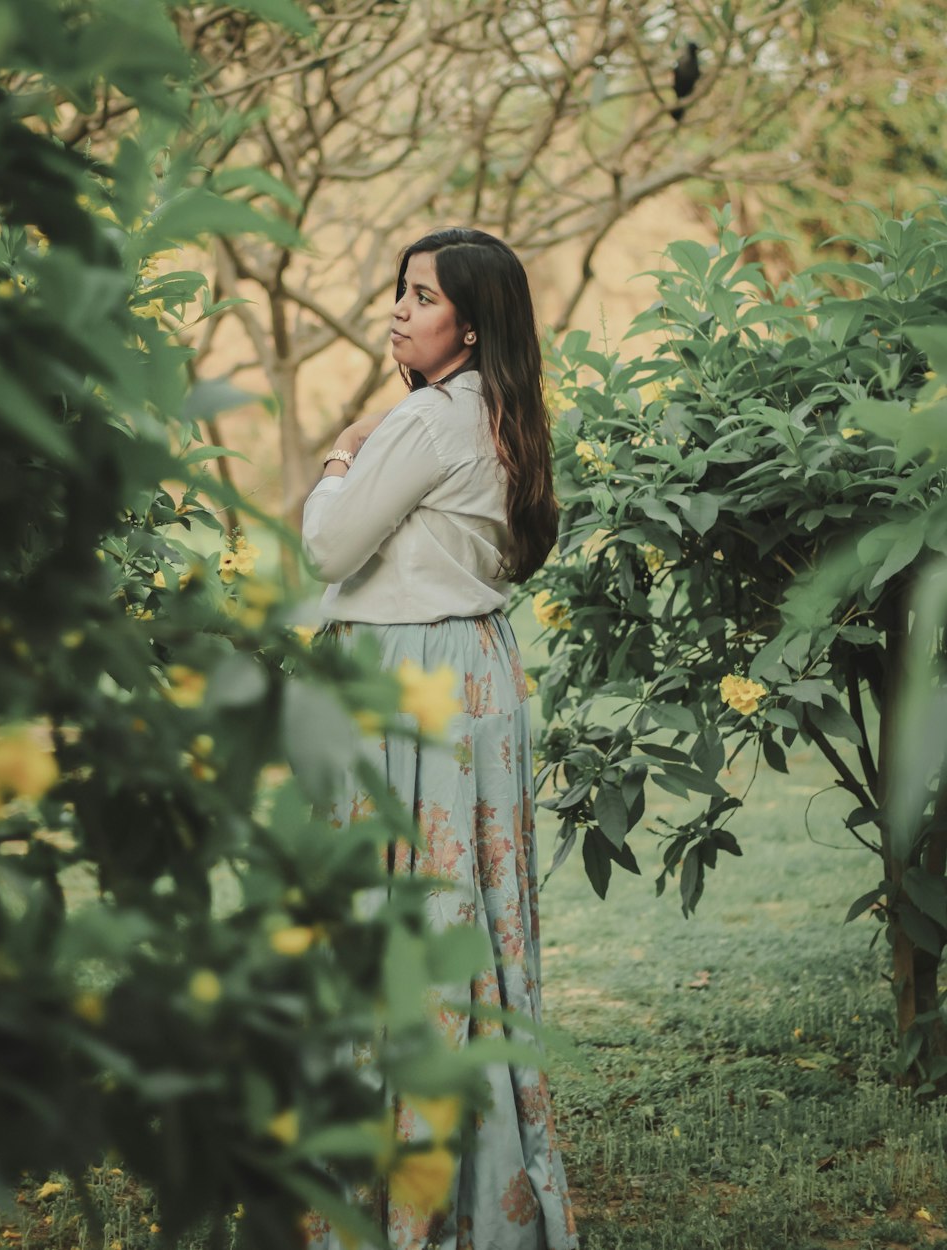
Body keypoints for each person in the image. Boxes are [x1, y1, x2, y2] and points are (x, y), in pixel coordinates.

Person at [301, 227, 578, 1250]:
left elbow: (330, 540)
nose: (399, 310)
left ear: (470, 325)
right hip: (476, 672)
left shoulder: (420, 423)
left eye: (422, 297)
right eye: (400, 291)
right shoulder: (504, 415)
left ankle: (394, 1188)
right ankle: (477, 1180)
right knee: (472, 927)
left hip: (408, 680)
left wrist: (340, 457)